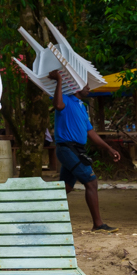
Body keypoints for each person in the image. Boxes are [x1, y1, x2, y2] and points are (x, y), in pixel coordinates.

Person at [49, 70, 120, 231]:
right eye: (85, 85)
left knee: (66, 187)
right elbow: (58, 105)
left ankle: (38, 209)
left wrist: (109, 148)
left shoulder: (82, 106)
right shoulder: (65, 99)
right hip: (67, 149)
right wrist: (59, 80)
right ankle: (98, 224)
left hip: (78, 150)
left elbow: (91, 132)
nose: (89, 88)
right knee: (91, 182)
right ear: (75, 87)